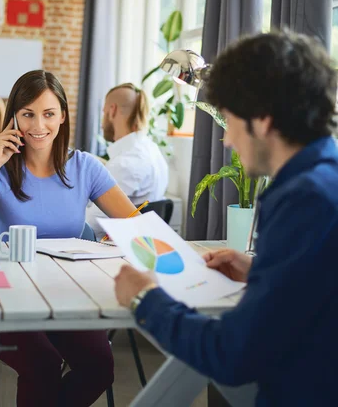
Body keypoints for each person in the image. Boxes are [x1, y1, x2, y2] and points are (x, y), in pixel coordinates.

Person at [114, 30, 338, 407]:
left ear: (263, 120)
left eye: (231, 118)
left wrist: (144, 300)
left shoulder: (303, 200)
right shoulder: (325, 180)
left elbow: (234, 353)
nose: (228, 139)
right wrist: (259, 270)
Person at [0, 70, 137, 407]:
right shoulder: (0, 170)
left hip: (67, 296)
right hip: (8, 300)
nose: (38, 125)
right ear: (14, 119)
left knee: (99, 367)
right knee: (43, 364)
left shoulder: (85, 168)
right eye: (28, 114)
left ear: (63, 116)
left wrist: (117, 241)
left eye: (49, 114)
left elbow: (136, 226)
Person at [86, 83, 169, 239]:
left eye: (104, 112)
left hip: (111, 248)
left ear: (112, 111)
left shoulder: (125, 164)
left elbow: (90, 225)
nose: (102, 124)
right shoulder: (152, 150)